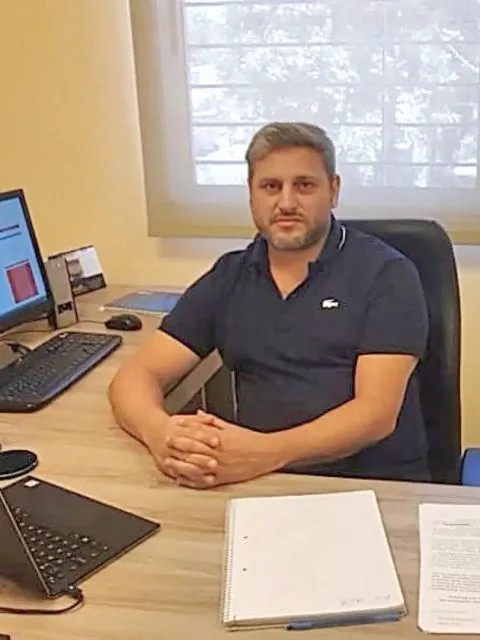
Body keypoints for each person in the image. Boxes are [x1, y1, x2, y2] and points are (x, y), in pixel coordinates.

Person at [108, 122, 430, 489]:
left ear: (333, 190)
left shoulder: (386, 274)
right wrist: (160, 432)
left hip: (375, 485)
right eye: (271, 186)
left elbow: (376, 414)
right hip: (261, 480)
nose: (287, 203)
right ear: (251, 194)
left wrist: (263, 452)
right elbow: (137, 375)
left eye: (304, 185)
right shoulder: (231, 275)